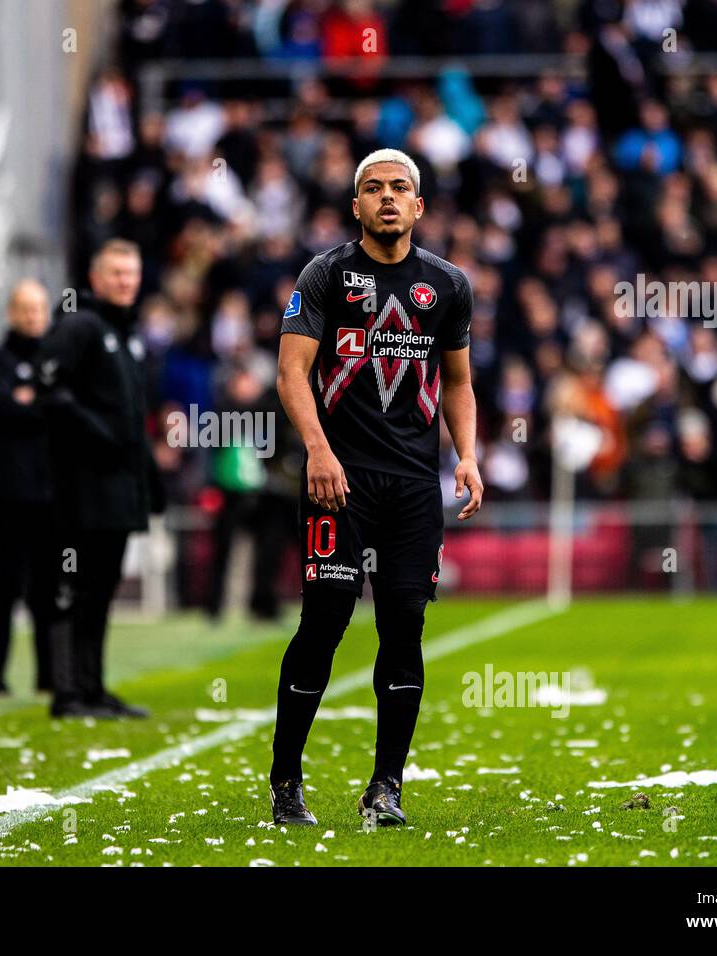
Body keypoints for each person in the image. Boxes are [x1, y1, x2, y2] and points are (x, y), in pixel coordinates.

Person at [269, 148, 483, 827]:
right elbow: (290, 374)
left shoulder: (448, 285)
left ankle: (385, 787)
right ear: (355, 205)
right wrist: (319, 452)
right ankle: (285, 781)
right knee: (326, 618)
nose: (387, 198)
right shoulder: (326, 275)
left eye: (399, 188)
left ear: (419, 206)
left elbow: (459, 381)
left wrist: (469, 457)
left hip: (414, 487)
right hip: (340, 480)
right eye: (373, 189)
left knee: (405, 627)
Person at [38, 239, 161, 718]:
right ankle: (68, 692)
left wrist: (149, 478)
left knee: (102, 587)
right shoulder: (81, 325)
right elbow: (47, 386)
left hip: (118, 490)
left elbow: (133, 418)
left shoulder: (126, 332)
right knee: (76, 586)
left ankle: (92, 687)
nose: (125, 281)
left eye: (131, 273)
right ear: (95, 277)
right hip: (81, 488)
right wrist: (97, 434)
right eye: (116, 273)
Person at [0, 279, 57, 694]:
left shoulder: (54, 360)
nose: (33, 317)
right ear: (12, 312)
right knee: (5, 586)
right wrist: (34, 403)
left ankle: (47, 675)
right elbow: (4, 409)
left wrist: (34, 400)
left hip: (48, 491)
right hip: (10, 492)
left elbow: (56, 406)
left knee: (46, 589)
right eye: (26, 309)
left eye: (39, 309)